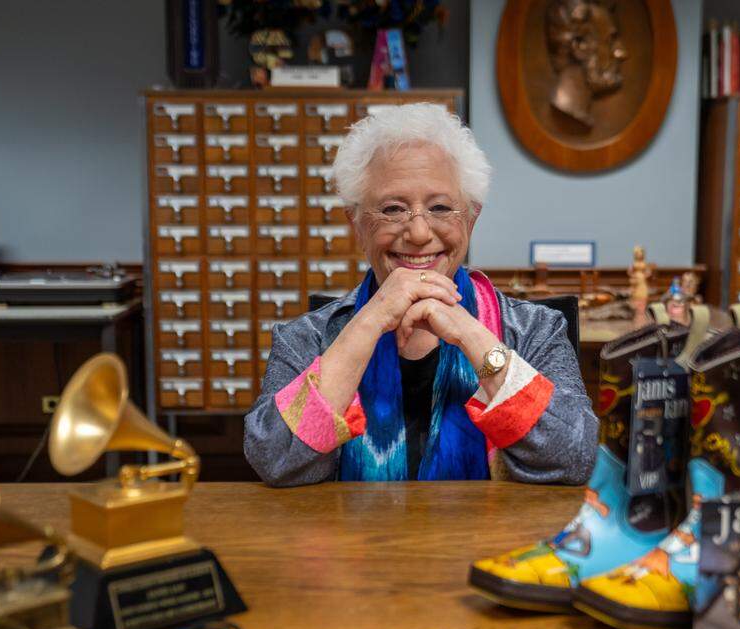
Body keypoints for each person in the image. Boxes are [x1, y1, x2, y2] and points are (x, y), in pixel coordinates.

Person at [244, 103, 598, 486]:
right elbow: (274, 461)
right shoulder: (307, 338)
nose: (417, 233)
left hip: (493, 545)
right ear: (357, 224)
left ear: (471, 218)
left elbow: (573, 457)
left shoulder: (533, 330)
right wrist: (368, 323)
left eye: (441, 208)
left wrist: (472, 335)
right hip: (352, 543)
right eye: (393, 209)